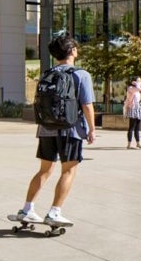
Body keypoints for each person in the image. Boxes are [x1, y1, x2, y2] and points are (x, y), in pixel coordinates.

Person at [10, 34, 95, 228]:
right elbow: (87, 105)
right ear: (73, 51)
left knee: (44, 170)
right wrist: (91, 129)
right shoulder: (80, 74)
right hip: (70, 130)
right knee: (69, 170)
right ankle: (55, 212)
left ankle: (27, 209)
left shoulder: (48, 73)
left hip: (46, 128)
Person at [125, 76, 141, 149]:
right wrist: (137, 84)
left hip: (138, 108)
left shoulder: (138, 90)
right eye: (138, 80)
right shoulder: (131, 88)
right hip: (133, 108)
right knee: (131, 127)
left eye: (140, 80)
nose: (140, 82)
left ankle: (138, 143)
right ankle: (129, 144)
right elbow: (138, 88)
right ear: (134, 82)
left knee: (137, 127)